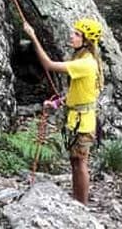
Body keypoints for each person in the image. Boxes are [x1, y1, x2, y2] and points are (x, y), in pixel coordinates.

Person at [22, 18, 104, 205]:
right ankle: (77, 202)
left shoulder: (86, 63)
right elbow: (82, 92)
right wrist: (58, 103)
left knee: (80, 163)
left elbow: (49, 65)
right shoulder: (84, 60)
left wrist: (33, 37)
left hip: (83, 123)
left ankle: (81, 206)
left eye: (77, 34)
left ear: (87, 41)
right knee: (75, 162)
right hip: (77, 119)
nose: (72, 36)